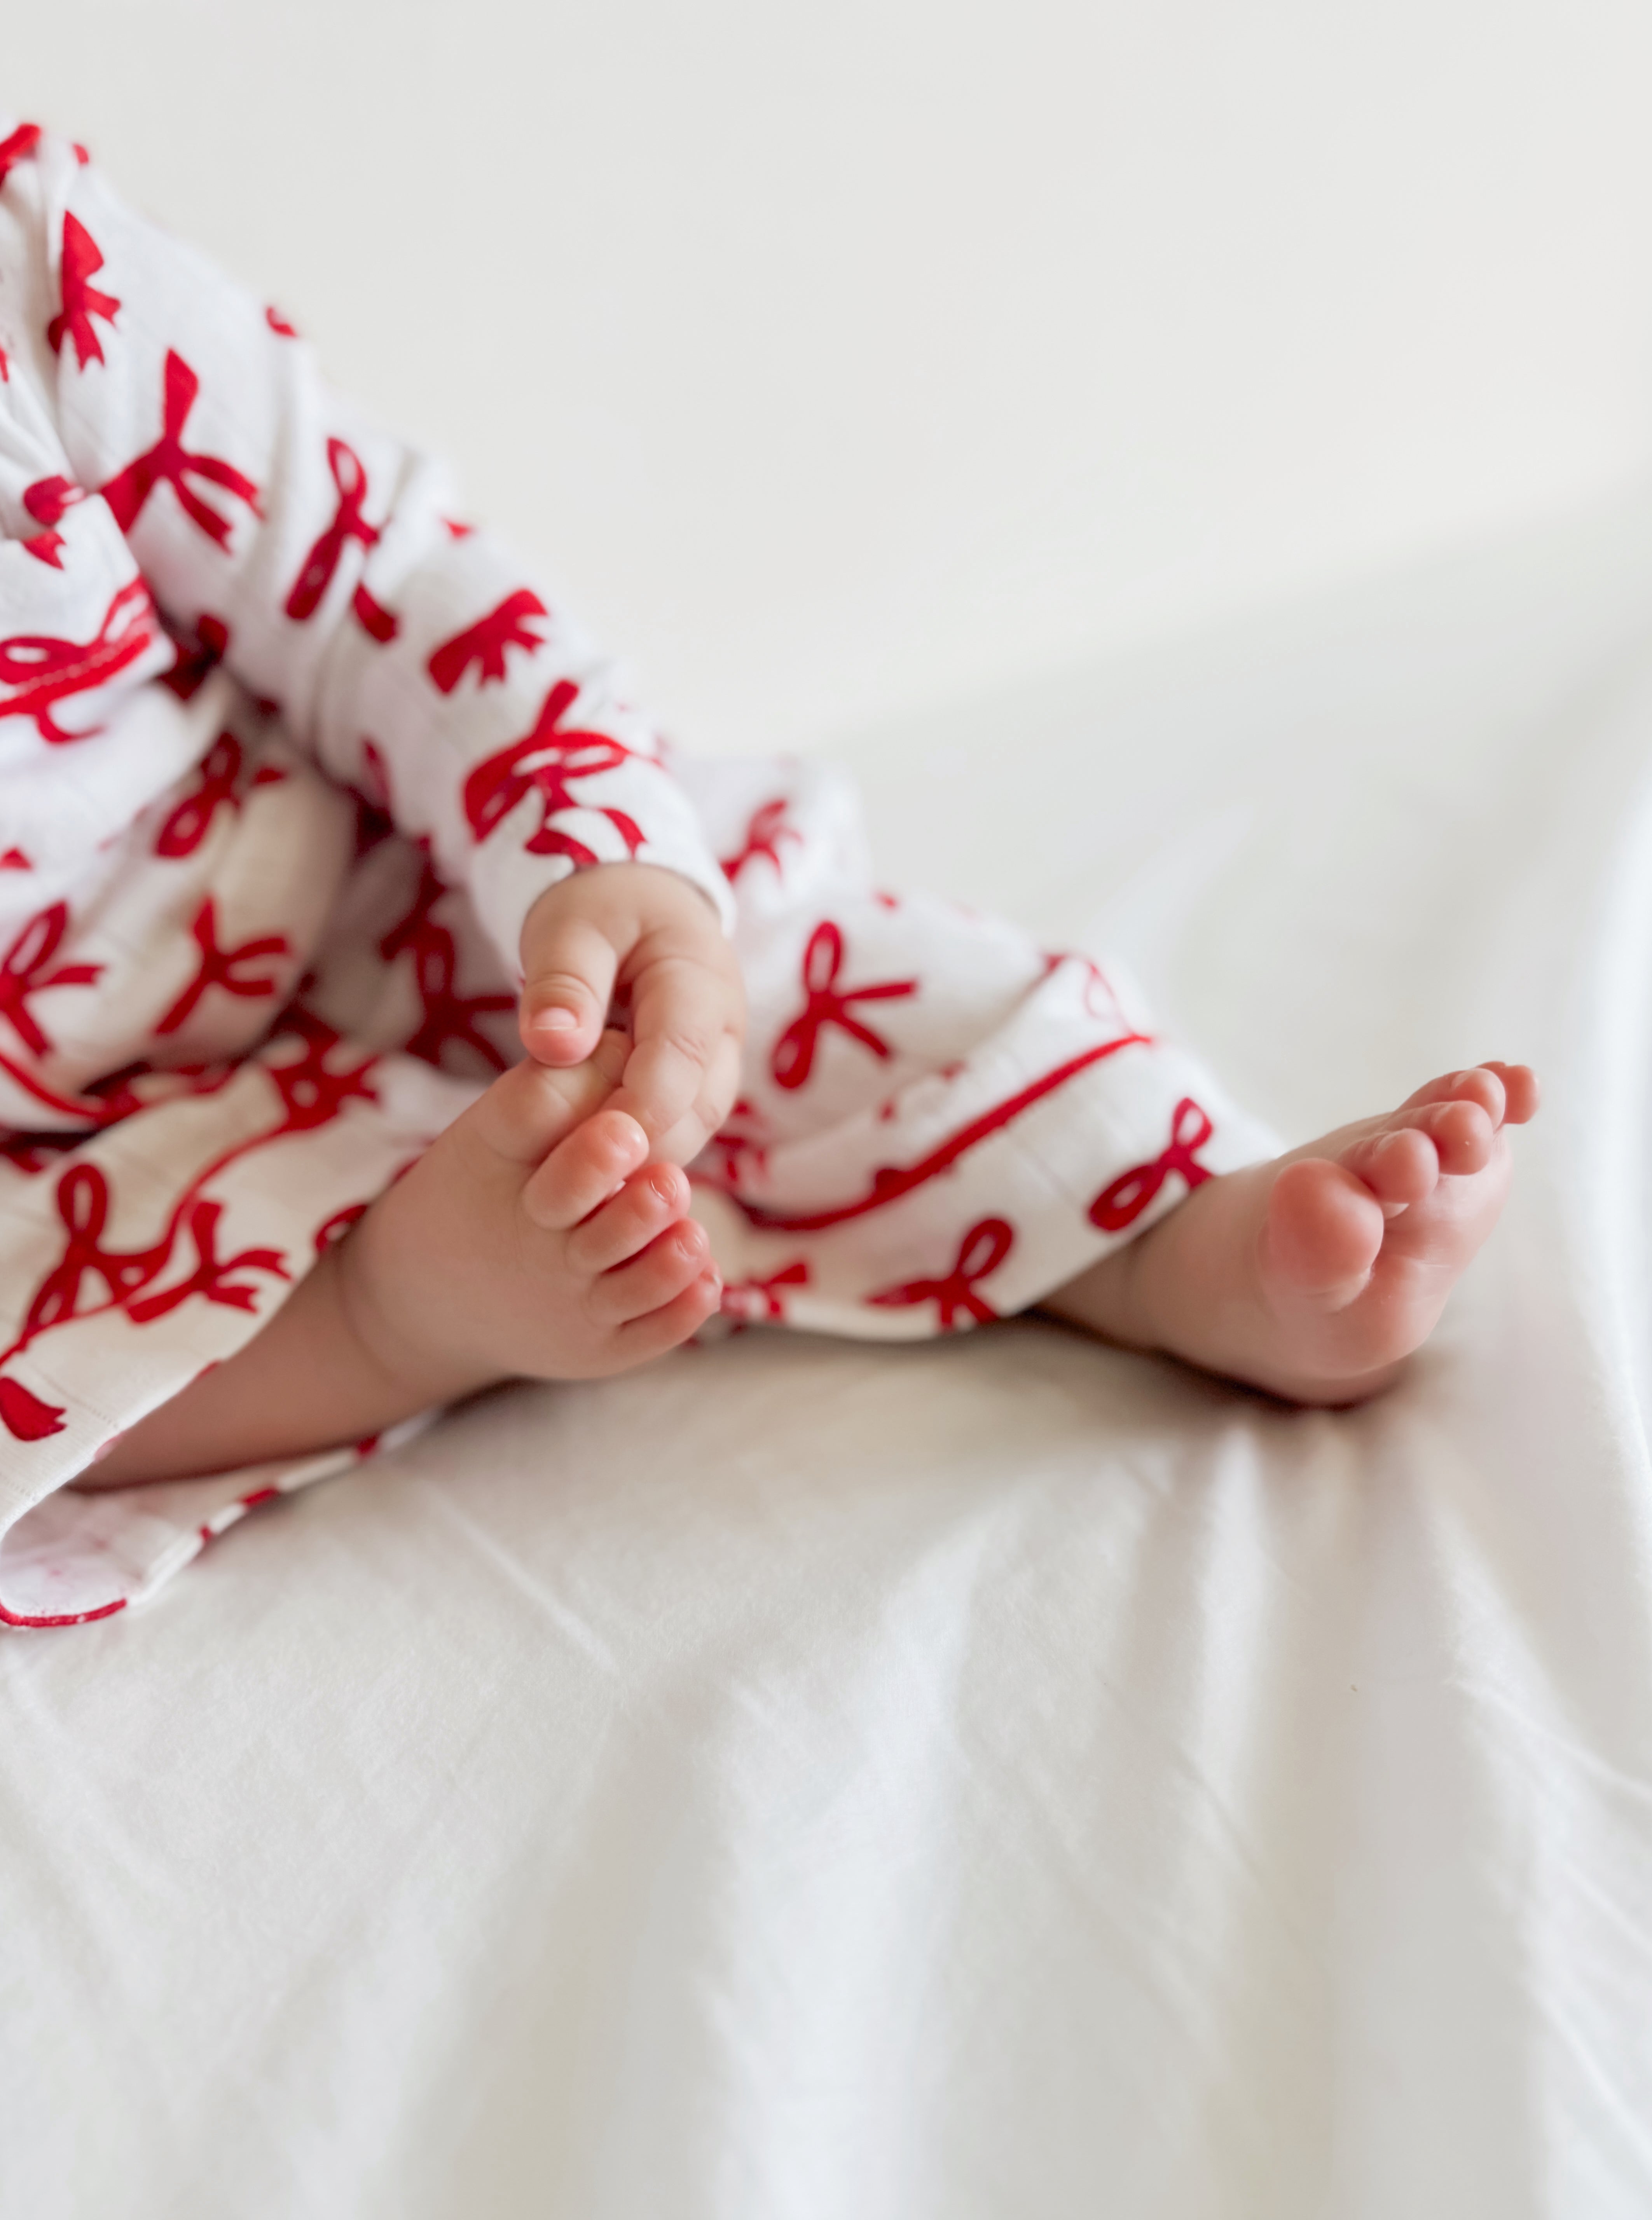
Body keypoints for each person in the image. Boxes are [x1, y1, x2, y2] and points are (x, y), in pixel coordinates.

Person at [0, 124, 1533, 1616]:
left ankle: (1176, 1229)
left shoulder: (43, 285)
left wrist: (591, 861)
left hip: (398, 891)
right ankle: (406, 1310)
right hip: (36, 1183)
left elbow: (375, 588)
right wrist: (388, 1309)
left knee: (800, 973)